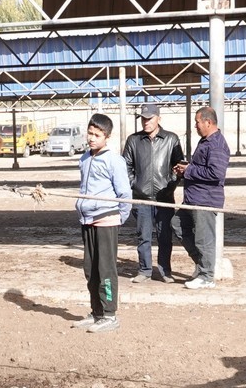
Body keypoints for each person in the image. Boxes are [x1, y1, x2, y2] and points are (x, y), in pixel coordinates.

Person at [73, 113, 131, 334]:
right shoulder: (85, 158)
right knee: (90, 269)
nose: (92, 138)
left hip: (106, 220)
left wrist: (118, 218)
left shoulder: (114, 160)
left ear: (107, 137)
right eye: (90, 133)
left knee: (106, 269)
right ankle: (96, 312)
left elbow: (124, 193)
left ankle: (109, 314)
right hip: (87, 219)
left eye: (97, 135)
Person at [123, 103, 185, 283]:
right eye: (143, 118)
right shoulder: (133, 140)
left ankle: (165, 271)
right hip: (141, 198)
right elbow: (126, 165)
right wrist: (134, 184)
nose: (146, 122)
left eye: (149, 118)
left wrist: (171, 184)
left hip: (164, 197)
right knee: (143, 236)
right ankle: (144, 270)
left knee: (164, 235)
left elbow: (178, 165)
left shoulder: (171, 139)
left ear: (159, 118)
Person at [172, 106, 229, 290]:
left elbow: (216, 173)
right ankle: (202, 264)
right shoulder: (205, 142)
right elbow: (202, 168)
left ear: (208, 122)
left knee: (204, 238)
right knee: (177, 224)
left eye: (197, 122)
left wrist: (189, 170)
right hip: (193, 198)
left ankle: (207, 276)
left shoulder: (217, 144)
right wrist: (185, 169)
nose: (195, 126)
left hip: (205, 199)